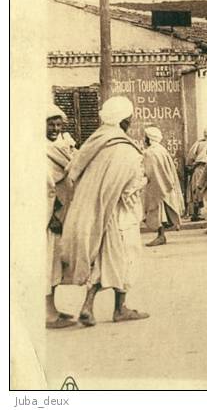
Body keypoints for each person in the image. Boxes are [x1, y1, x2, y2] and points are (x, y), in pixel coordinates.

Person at [60, 96, 149, 326]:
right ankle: (120, 308)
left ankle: (88, 306)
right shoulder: (125, 150)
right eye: (129, 117)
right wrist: (143, 181)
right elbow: (129, 189)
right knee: (127, 260)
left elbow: (74, 171)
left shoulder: (95, 142)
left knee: (103, 261)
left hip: (97, 214)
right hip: (121, 215)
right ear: (124, 120)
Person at [46, 105, 76, 329]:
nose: (55, 128)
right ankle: (48, 314)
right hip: (48, 216)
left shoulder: (58, 147)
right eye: (51, 124)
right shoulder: (40, 149)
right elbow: (45, 186)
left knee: (56, 263)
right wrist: (52, 215)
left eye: (58, 125)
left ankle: (53, 308)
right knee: (47, 265)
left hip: (60, 213)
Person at [141, 126, 186, 247]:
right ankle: (161, 235)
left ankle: (161, 236)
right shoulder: (161, 150)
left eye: (145, 137)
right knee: (161, 214)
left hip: (158, 187)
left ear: (149, 139)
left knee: (158, 213)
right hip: (164, 185)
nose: (144, 140)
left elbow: (151, 171)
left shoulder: (151, 153)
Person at [183, 128, 207, 222]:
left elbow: (191, 157)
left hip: (200, 169)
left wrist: (191, 165)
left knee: (197, 191)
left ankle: (198, 213)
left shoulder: (199, 143)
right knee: (199, 191)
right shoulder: (205, 144)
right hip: (202, 169)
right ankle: (197, 213)